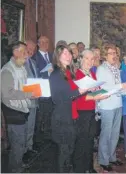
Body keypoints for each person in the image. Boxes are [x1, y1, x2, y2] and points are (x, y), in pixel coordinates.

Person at [49, 44, 87, 172]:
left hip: (72, 115)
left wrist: (87, 89)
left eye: (69, 53)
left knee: (70, 149)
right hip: (62, 118)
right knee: (64, 151)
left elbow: (74, 93)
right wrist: (79, 91)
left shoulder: (69, 73)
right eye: (64, 53)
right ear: (58, 57)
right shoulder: (55, 74)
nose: (68, 56)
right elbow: (57, 98)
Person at [1, 41, 38, 172]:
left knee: (20, 143)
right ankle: (15, 170)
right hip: (13, 112)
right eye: (24, 52)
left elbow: (23, 87)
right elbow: (7, 94)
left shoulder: (20, 68)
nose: (27, 55)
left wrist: (34, 92)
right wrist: (28, 93)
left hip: (22, 110)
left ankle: (17, 166)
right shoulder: (7, 70)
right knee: (17, 145)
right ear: (15, 52)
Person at [70, 50, 108, 173]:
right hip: (81, 111)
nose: (90, 61)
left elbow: (96, 90)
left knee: (90, 140)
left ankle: (89, 166)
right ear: (81, 59)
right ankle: (79, 169)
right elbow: (78, 96)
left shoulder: (92, 73)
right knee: (82, 141)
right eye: (87, 58)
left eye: (92, 59)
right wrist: (97, 96)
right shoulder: (77, 74)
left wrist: (104, 93)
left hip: (92, 110)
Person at [96, 43, 126, 172]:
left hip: (118, 103)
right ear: (105, 55)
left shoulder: (116, 68)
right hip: (107, 105)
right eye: (111, 53)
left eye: (115, 53)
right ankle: (103, 160)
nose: (114, 55)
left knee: (115, 133)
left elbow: (118, 86)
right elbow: (103, 89)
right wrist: (120, 87)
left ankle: (112, 157)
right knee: (106, 133)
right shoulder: (101, 69)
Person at [32, 36, 53, 141]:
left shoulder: (52, 55)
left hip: (52, 89)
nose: (45, 44)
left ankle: (48, 135)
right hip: (41, 90)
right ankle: (38, 138)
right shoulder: (34, 58)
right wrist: (46, 71)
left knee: (50, 113)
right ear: (38, 44)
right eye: (42, 42)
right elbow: (34, 75)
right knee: (40, 115)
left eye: (47, 42)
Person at [23, 40, 39, 163]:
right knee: (24, 127)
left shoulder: (33, 62)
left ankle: (29, 147)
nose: (31, 51)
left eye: (33, 50)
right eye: (29, 48)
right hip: (24, 101)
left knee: (31, 126)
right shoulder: (20, 63)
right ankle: (23, 152)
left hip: (34, 100)